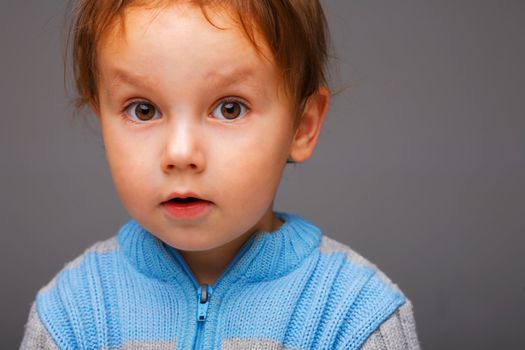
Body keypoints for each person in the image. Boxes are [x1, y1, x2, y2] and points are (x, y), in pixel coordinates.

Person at [20, 1, 420, 349]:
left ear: (302, 126)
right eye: (143, 110)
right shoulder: (73, 312)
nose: (180, 154)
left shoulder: (356, 315)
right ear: (102, 124)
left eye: (230, 108)